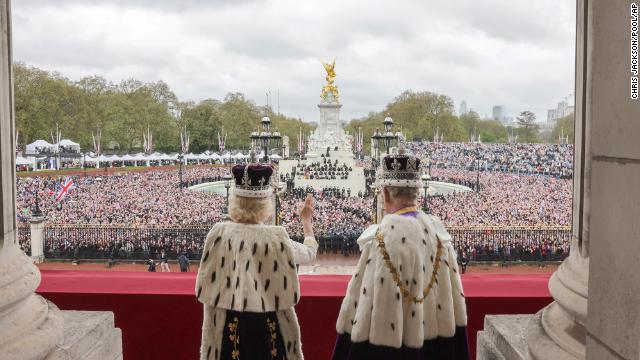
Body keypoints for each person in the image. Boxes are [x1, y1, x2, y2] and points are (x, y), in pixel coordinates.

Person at [332, 147, 469, 360]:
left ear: (385, 194)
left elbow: (368, 310)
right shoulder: (439, 234)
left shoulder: (381, 239)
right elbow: (455, 308)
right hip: (436, 346)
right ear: (417, 193)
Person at [195, 163, 317, 360]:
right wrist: (306, 223)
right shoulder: (277, 238)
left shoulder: (218, 233)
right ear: (265, 203)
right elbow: (310, 253)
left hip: (227, 325)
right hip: (269, 323)